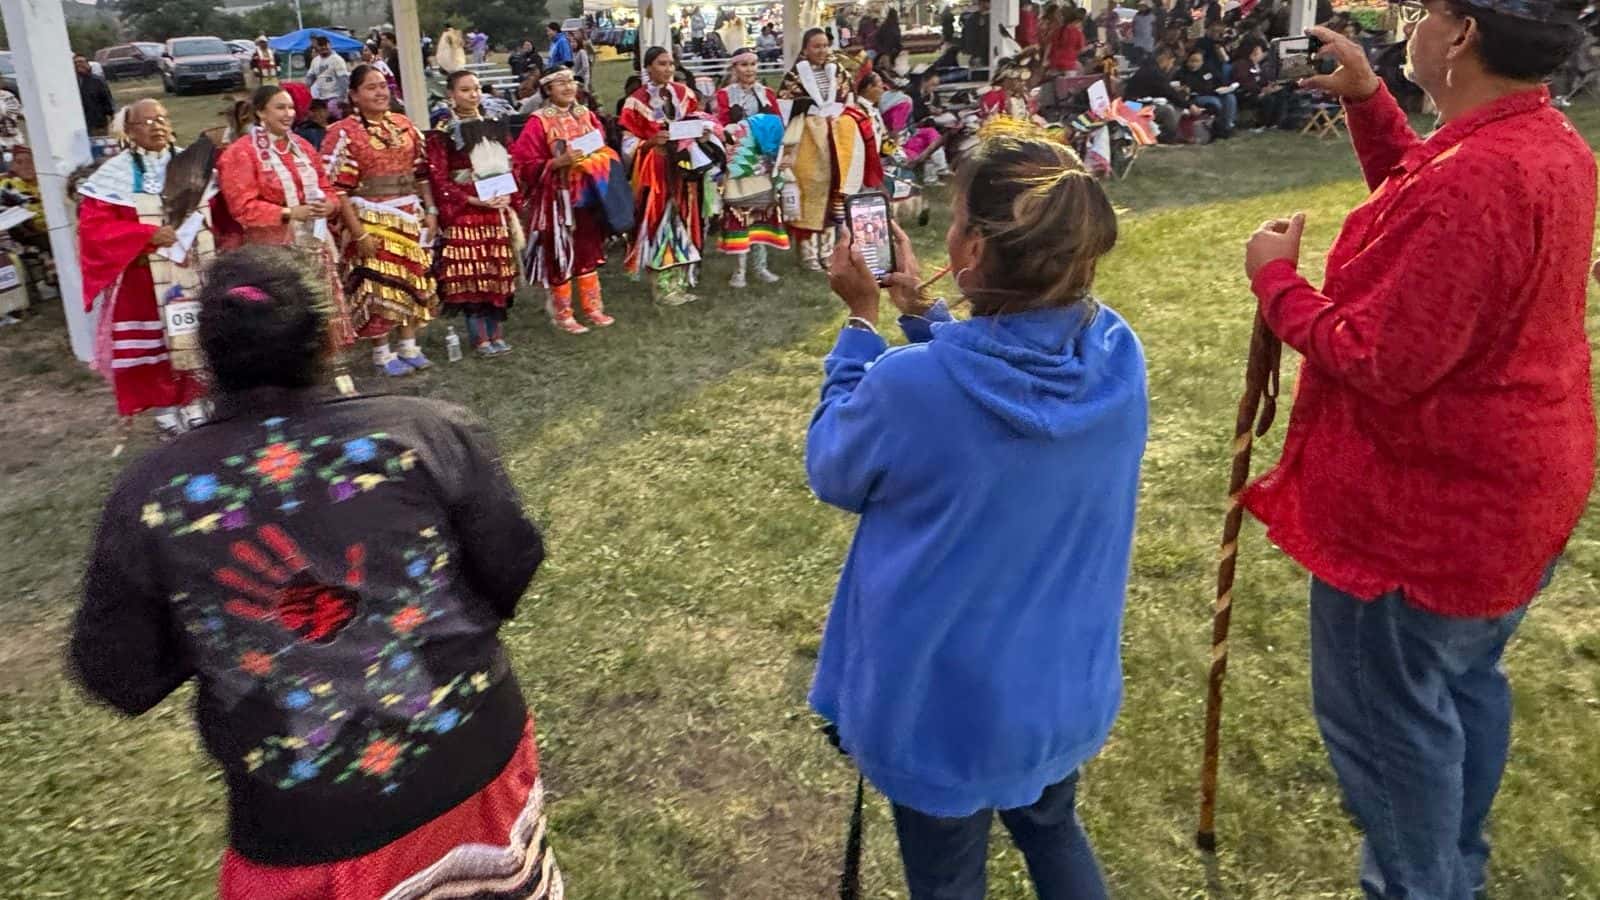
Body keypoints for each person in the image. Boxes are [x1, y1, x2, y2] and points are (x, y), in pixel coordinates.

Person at [70, 244, 563, 900]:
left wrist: (227, 636)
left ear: (203, 359)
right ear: (330, 336)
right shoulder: (426, 433)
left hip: (304, 823)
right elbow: (512, 564)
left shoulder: (153, 494)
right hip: (473, 768)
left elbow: (118, 675)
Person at [1239, 9, 1593, 898]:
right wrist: (1369, 102)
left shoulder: (1482, 175)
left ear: (1462, 33)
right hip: (1513, 494)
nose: (1411, 26)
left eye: (1422, 12)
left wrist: (1276, 283)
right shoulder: (1545, 142)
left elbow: (1381, 357)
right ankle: (1453, 868)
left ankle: (1421, 884)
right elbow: (1427, 216)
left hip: (1424, 519)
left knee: (1390, 722)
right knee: (1460, 686)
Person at [808, 132, 1143, 900]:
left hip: (939, 710)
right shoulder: (1117, 354)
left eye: (955, 221)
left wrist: (860, 327)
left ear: (977, 250)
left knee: (948, 880)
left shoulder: (908, 388)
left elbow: (833, 464)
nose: (946, 234)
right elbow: (1004, 372)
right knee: (1053, 830)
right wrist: (924, 310)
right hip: (1057, 688)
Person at [75, 98, 207, 434]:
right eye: (147, 122)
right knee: (154, 343)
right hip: (141, 278)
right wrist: (147, 235)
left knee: (189, 335)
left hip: (188, 270)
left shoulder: (191, 163)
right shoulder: (113, 176)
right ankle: (164, 409)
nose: (157, 126)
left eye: (162, 119)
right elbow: (95, 231)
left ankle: (194, 400)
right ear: (130, 131)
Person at [322, 64, 440, 377]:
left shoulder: (404, 125)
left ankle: (410, 344)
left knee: (412, 279)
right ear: (354, 95)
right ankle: (381, 352)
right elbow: (337, 188)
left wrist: (430, 210)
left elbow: (422, 173)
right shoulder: (343, 132)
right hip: (370, 215)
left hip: (410, 213)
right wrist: (358, 233)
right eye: (371, 87)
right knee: (379, 284)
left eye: (383, 85)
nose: (380, 92)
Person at [217, 86, 350, 344]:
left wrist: (329, 205)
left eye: (290, 107)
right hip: (270, 252)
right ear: (260, 112)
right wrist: (289, 213)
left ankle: (325, 371)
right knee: (283, 318)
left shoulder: (301, 146)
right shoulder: (241, 153)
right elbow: (242, 207)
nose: (288, 113)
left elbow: (325, 186)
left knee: (319, 314)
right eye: (280, 107)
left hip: (313, 245)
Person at [513, 67, 623, 333]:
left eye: (571, 82)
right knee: (559, 254)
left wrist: (597, 160)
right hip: (556, 198)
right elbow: (523, 164)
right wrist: (556, 163)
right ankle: (563, 313)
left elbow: (603, 147)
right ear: (548, 89)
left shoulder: (586, 115)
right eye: (560, 83)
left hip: (588, 194)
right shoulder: (538, 121)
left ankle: (593, 308)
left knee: (588, 250)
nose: (568, 87)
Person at [426, 71, 525, 356]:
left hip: (495, 209)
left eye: (477, 88)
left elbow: (512, 161)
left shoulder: (494, 125)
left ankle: (496, 333)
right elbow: (439, 177)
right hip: (467, 212)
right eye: (465, 90)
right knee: (471, 273)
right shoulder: (443, 130)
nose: (473, 94)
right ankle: (479, 337)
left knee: (497, 270)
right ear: (451, 95)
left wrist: (508, 192)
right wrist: (470, 198)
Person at [618, 47, 711, 306]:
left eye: (671, 63)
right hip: (655, 169)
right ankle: (661, 285)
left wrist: (702, 134)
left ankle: (680, 282)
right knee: (659, 220)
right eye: (662, 63)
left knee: (684, 217)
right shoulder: (635, 101)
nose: (668, 69)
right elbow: (626, 143)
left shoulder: (684, 94)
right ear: (648, 67)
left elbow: (699, 119)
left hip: (684, 167)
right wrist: (648, 142)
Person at [778, 29, 857, 271]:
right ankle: (808, 253)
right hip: (807, 141)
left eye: (825, 46)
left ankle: (828, 252)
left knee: (836, 191)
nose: (822, 51)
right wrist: (808, 111)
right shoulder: (795, 77)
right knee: (810, 191)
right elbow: (783, 108)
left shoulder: (839, 73)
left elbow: (850, 102)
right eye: (816, 46)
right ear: (805, 49)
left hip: (836, 137)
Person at [714, 49, 790, 287]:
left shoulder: (766, 94)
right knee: (739, 213)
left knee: (763, 212)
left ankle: (760, 266)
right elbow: (718, 127)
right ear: (734, 68)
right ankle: (739, 270)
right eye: (744, 65)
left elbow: (779, 125)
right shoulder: (724, 96)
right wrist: (735, 127)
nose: (749, 69)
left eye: (753, 64)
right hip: (739, 162)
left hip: (764, 162)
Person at [1178, 49, 1236, 137]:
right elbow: (1187, 89)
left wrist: (1224, 87)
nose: (1194, 64)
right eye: (1192, 61)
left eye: (1197, 61)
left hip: (1215, 93)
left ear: (1202, 62)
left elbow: (1219, 81)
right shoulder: (1183, 73)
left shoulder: (1208, 70)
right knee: (1215, 102)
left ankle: (1228, 126)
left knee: (1230, 98)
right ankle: (1217, 128)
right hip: (1198, 97)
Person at [1232, 42, 1290, 128]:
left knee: (1281, 93)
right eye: (1260, 52)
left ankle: (1275, 123)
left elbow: (1261, 80)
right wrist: (1261, 90)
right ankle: (1261, 124)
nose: (1262, 54)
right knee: (1268, 99)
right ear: (1252, 54)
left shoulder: (1256, 65)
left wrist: (1270, 85)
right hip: (1246, 94)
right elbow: (1244, 82)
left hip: (1259, 91)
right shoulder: (1241, 64)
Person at [306, 36, 350, 107]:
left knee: (332, 109)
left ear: (330, 45)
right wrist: (305, 91)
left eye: (325, 45)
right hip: (321, 98)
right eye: (320, 45)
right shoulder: (315, 61)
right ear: (316, 47)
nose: (323, 47)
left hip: (335, 97)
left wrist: (342, 99)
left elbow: (344, 80)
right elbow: (309, 79)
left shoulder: (337, 59)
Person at [77, 55, 114, 136]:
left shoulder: (97, 81)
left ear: (87, 64)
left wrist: (112, 114)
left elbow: (107, 99)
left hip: (97, 123)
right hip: (79, 125)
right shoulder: (71, 83)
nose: (79, 64)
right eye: (76, 63)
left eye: (81, 62)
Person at [1050, 7, 1088, 73]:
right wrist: (1089, 47)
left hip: (1055, 63)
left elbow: (1051, 45)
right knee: (1081, 70)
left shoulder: (1059, 30)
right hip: (1069, 65)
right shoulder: (1078, 33)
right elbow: (1081, 50)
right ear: (1077, 21)